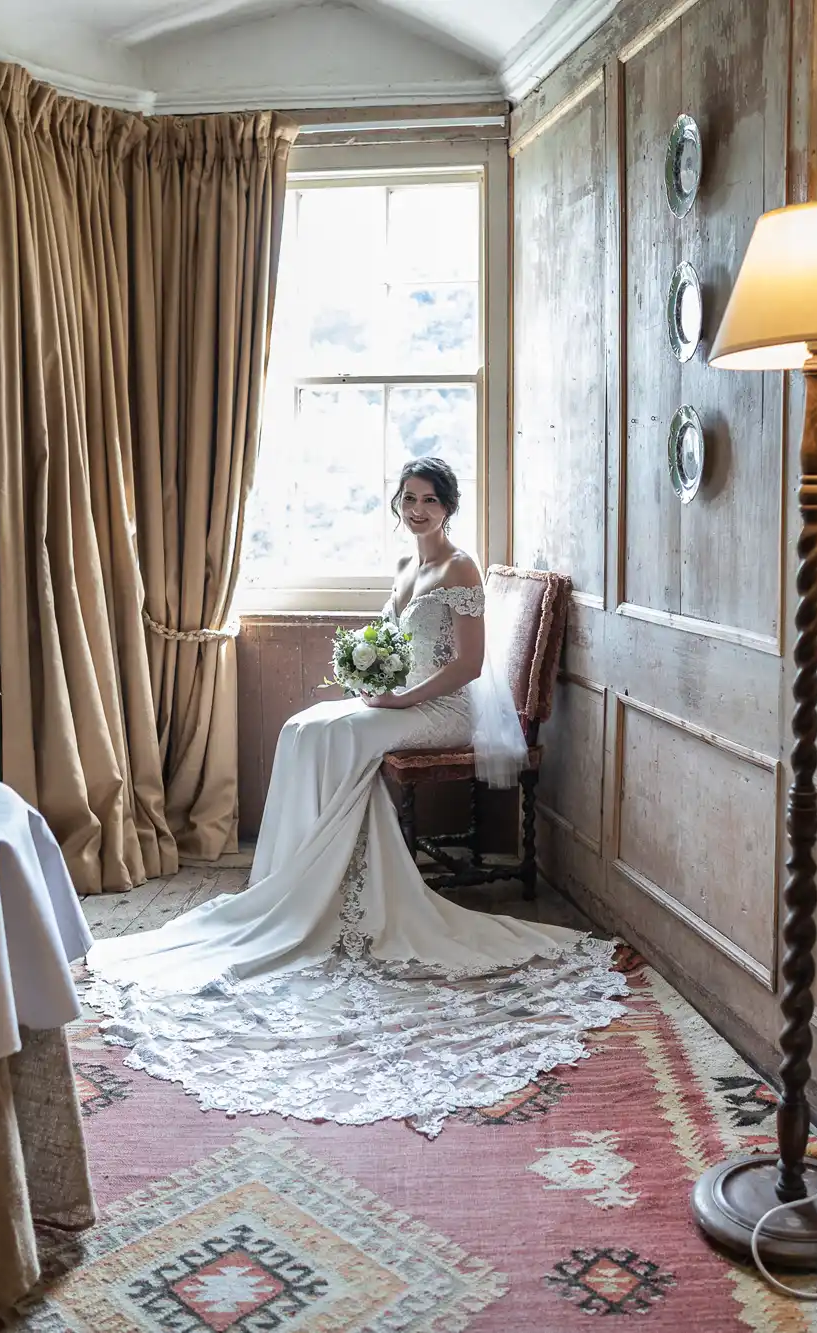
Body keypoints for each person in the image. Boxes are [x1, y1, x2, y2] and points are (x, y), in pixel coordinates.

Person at [83, 458, 627, 1136]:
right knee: (303, 728)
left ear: (449, 507)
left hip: (446, 706)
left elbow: (468, 665)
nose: (418, 509)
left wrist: (397, 697)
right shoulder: (407, 567)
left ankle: (324, 886)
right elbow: (394, 644)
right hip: (403, 699)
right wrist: (368, 679)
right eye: (409, 498)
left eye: (430, 500)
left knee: (335, 735)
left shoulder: (459, 568)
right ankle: (300, 881)